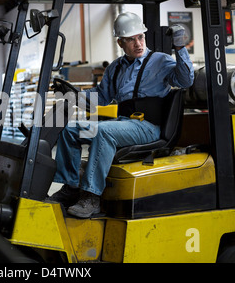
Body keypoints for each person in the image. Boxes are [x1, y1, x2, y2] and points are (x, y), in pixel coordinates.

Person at [47, 12, 195, 218]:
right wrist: (74, 96)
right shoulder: (116, 68)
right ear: (120, 42)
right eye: (131, 39)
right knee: (70, 130)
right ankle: (71, 187)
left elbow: (185, 81)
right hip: (123, 123)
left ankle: (91, 196)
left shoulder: (161, 61)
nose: (138, 43)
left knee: (103, 132)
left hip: (147, 127)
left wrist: (180, 48)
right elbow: (101, 97)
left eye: (140, 37)